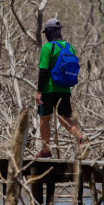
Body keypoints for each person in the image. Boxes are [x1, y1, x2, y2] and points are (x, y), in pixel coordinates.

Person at [35, 18, 88, 159]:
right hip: (65, 89)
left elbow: (43, 71)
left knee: (44, 119)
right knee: (64, 118)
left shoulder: (48, 47)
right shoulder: (69, 47)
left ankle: (45, 151)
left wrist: (39, 91)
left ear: (49, 32)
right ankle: (80, 138)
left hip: (48, 89)